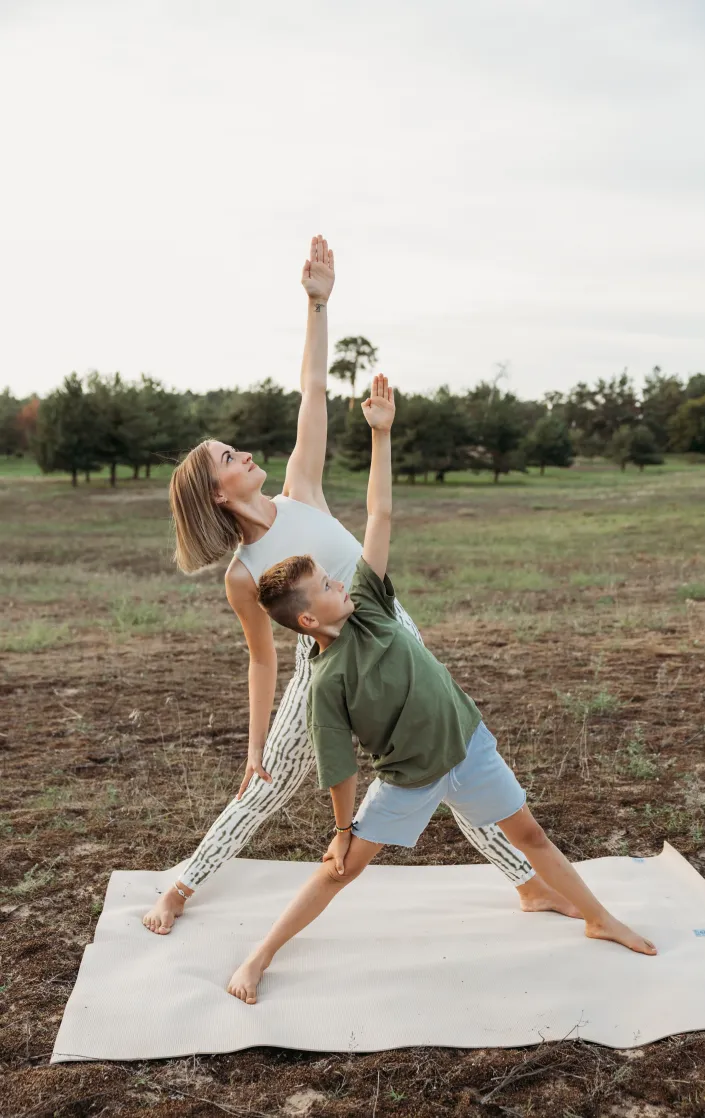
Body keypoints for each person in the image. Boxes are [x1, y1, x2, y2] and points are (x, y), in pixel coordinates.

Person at [142, 236, 571, 936]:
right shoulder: (243, 575)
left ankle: (527, 884)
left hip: (392, 628)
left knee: (444, 750)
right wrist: (253, 747)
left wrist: (317, 304)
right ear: (217, 493)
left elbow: (312, 389)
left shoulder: (301, 491)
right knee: (271, 781)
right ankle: (183, 887)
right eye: (229, 456)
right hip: (328, 664)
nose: (245, 453)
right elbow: (262, 659)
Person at [227, 374, 657, 1003]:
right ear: (311, 620)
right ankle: (261, 956)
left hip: (469, 744)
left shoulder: (369, 603)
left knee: (532, 835)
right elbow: (338, 766)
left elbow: (381, 512)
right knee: (336, 871)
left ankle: (599, 918)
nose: (339, 580)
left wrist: (382, 436)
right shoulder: (325, 681)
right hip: (410, 778)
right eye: (326, 584)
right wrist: (344, 829)